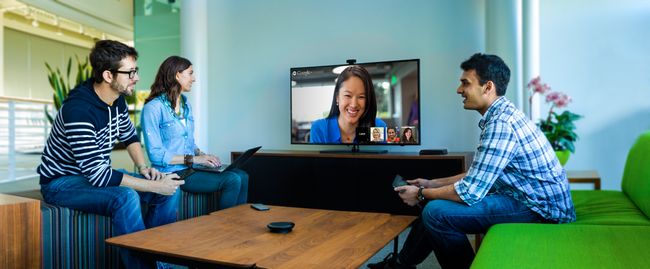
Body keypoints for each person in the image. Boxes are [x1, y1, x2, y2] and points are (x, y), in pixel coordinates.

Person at [368, 53, 575, 269]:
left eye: (465, 83)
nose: (459, 90)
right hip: (530, 199)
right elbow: (480, 173)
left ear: (488, 87)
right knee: (435, 203)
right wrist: (432, 184)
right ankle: (400, 265)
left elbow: (469, 191)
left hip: (541, 210)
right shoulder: (501, 115)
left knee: (436, 212)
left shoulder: (500, 124)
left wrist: (420, 193)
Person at [37, 40, 183, 269]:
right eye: (130, 72)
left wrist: (144, 169)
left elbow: (130, 136)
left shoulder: (117, 101)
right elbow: (98, 176)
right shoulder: (79, 110)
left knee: (169, 188)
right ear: (108, 75)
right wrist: (154, 186)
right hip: (61, 183)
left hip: (92, 175)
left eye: (136, 71)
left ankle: (161, 260)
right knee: (125, 197)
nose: (137, 77)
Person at [141, 56, 248, 210]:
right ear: (177, 75)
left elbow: (188, 143)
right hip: (172, 172)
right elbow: (156, 155)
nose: (194, 78)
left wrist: (205, 156)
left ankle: (240, 224)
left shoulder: (186, 104)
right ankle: (227, 227)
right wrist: (197, 159)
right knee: (232, 180)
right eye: (190, 73)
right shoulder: (153, 108)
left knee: (242, 175)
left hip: (191, 168)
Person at [309, 65, 387, 143]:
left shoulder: (378, 127)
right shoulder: (319, 129)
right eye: (348, 95)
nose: (354, 105)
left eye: (361, 97)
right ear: (337, 97)